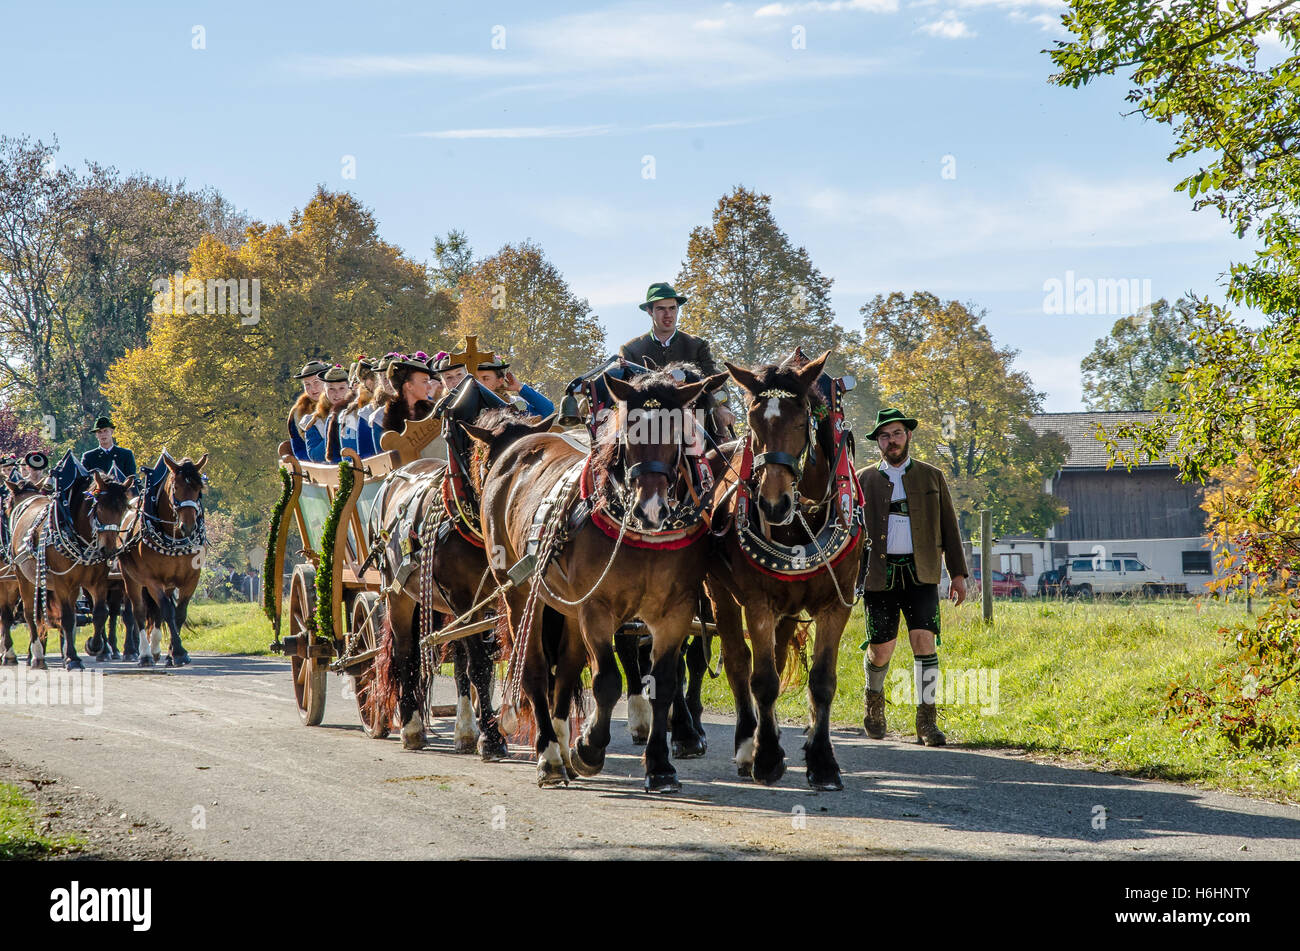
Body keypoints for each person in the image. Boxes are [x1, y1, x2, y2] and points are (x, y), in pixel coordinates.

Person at [858, 408, 968, 747]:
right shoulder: (863, 479)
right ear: (878, 441)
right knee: (881, 650)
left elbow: (950, 527)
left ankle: (926, 722)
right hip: (878, 575)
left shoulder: (932, 476)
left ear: (908, 436)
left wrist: (958, 574)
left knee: (924, 642)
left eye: (897, 434)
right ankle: (873, 704)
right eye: (884, 436)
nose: (891, 440)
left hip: (922, 574)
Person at [619, 282, 736, 433]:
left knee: (727, 448)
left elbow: (714, 378)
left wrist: (723, 407)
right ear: (649, 311)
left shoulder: (697, 345)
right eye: (661, 309)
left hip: (697, 421)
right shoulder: (631, 349)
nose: (668, 314)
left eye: (672, 308)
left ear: (677, 309)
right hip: (646, 425)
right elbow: (625, 392)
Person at [474, 357, 554, 417]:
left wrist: (519, 387)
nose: (479, 383)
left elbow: (547, 410)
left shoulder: (516, 403)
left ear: (500, 381)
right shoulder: (468, 405)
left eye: (485, 378)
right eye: (476, 378)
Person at [304, 365, 351, 462]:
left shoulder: (358, 412)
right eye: (331, 389)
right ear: (325, 391)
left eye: (341, 388)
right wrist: (333, 431)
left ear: (349, 388)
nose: (337, 394)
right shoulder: (314, 421)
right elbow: (315, 455)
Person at [381, 355, 436, 434]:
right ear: (409, 386)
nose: (430, 387)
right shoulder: (380, 418)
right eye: (424, 381)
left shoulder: (434, 412)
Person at [288, 360, 329, 460]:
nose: (313, 389)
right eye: (307, 384)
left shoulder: (339, 402)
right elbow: (299, 449)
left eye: (316, 383)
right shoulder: (297, 413)